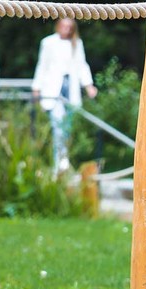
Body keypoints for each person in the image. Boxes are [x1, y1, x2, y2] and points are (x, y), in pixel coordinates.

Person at [32, 16, 98, 172]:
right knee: (58, 127)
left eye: (70, 27)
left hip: (70, 89)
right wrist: (37, 87)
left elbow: (82, 65)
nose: (66, 29)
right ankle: (58, 164)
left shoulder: (77, 44)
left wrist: (88, 85)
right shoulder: (48, 43)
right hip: (54, 91)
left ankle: (64, 161)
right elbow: (42, 66)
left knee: (67, 128)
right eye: (64, 26)